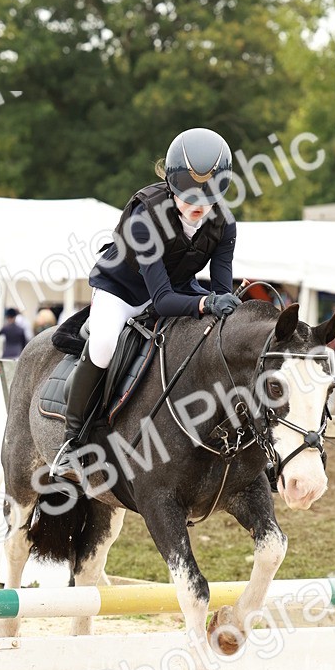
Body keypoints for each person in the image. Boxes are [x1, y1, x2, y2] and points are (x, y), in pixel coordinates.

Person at [50, 126, 238, 481]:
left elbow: (221, 291)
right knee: (104, 346)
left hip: (177, 288)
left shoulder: (224, 225)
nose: (198, 207)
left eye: (207, 199)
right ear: (171, 185)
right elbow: (163, 300)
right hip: (122, 293)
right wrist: (204, 305)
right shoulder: (144, 218)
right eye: (188, 198)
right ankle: (72, 442)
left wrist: (223, 306)